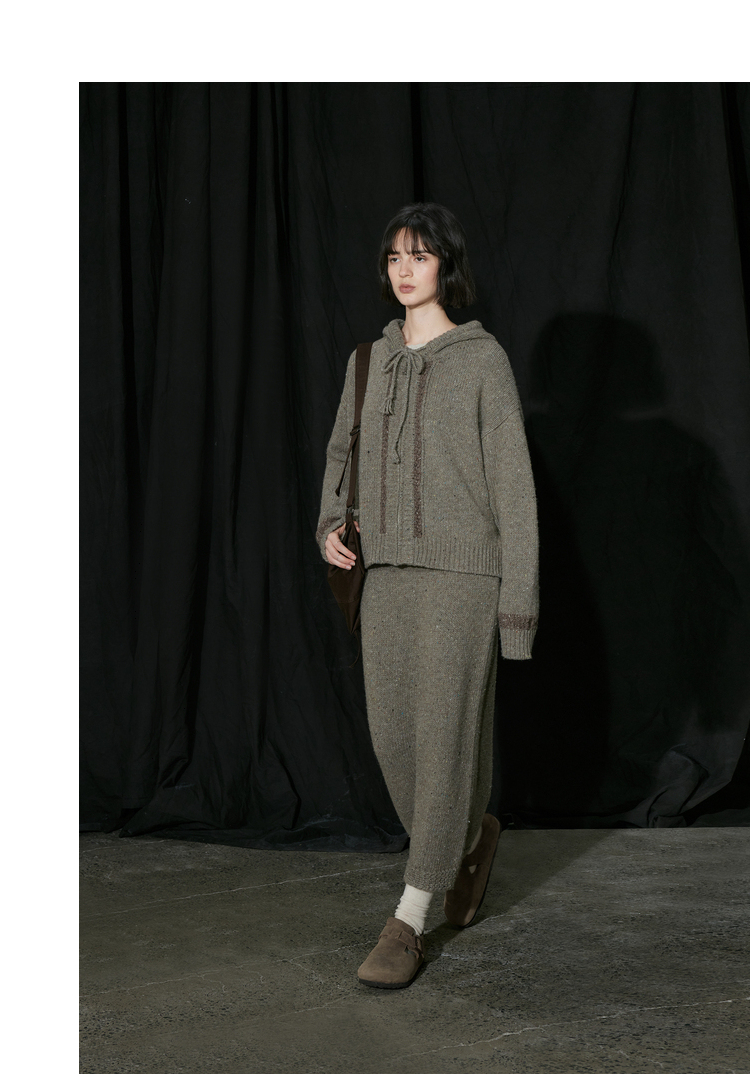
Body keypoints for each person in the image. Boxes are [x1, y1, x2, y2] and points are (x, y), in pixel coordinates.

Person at [315, 203, 539, 988]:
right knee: (395, 743)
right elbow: (340, 456)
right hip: (385, 579)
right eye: (394, 258)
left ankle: (409, 918)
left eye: (420, 255)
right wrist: (328, 528)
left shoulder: (483, 361)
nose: (405, 270)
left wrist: (518, 611)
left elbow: (515, 489)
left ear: (447, 265)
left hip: (462, 581)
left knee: (445, 744)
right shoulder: (368, 361)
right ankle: (469, 840)